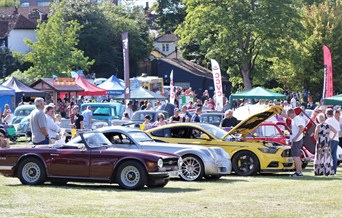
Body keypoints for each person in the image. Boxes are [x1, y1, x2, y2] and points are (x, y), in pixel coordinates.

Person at [287, 108, 305, 177]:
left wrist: (295, 137)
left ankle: (298, 172)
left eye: (289, 115)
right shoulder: (295, 119)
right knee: (297, 156)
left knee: (295, 156)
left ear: (291, 113)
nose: (289, 116)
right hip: (298, 140)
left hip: (297, 140)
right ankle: (300, 172)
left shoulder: (296, 119)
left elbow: (301, 128)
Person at [325, 109, 340, 173]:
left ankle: (329, 169)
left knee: (328, 155)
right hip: (336, 139)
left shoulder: (327, 121)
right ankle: (334, 169)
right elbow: (338, 131)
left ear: (327, 114)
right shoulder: (336, 121)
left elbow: (326, 130)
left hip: (331, 139)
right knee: (334, 155)